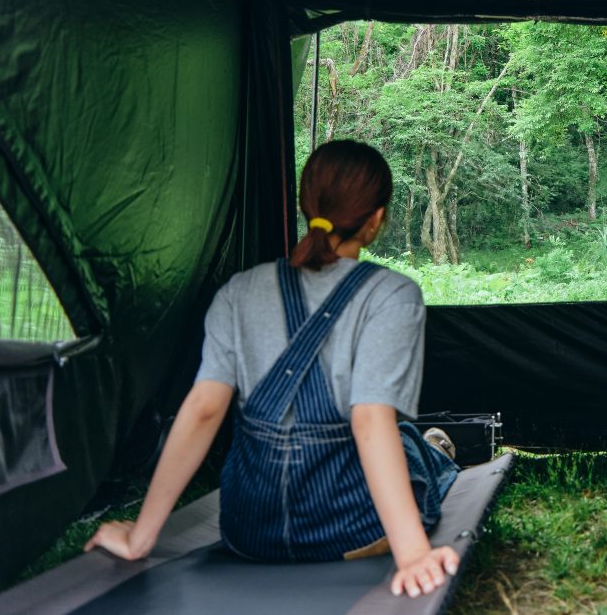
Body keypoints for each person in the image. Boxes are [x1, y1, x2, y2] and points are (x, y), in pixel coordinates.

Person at [85, 140, 460, 599]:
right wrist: (413, 556)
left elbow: (203, 410)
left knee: (397, 440)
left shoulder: (239, 291)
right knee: (406, 446)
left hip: (250, 533)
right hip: (348, 532)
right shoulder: (391, 295)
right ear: (376, 220)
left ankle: (429, 447)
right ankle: (437, 451)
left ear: (307, 207)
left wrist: (140, 537)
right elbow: (369, 421)